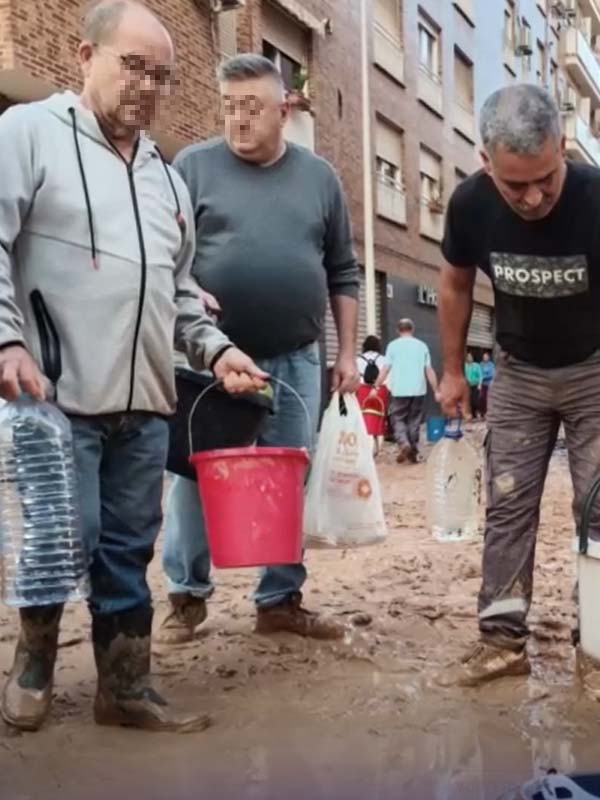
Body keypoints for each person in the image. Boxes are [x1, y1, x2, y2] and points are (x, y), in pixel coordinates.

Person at [0, 0, 265, 733]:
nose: (147, 86)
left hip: (146, 402)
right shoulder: (26, 135)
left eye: (164, 76)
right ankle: (34, 665)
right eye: (133, 65)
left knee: (128, 545)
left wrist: (218, 349)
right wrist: (6, 341)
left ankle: (125, 685)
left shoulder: (166, 178)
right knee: (62, 537)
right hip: (52, 397)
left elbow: (180, 294)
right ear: (86, 58)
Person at [435, 84, 600, 687]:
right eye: (516, 185)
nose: (535, 196)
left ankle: (599, 644)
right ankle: (502, 640)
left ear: (562, 147)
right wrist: (451, 371)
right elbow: (456, 286)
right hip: (518, 369)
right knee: (509, 503)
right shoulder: (469, 205)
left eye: (546, 176)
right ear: (486, 161)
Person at [156, 53, 361, 646]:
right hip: (208, 360)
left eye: (252, 108)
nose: (238, 121)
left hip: (295, 357)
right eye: (229, 108)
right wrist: (191, 293)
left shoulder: (319, 177)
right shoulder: (192, 166)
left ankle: (279, 599)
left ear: (284, 108)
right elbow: (167, 260)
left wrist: (345, 353)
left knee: (286, 479)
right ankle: (186, 597)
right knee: (194, 475)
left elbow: (343, 273)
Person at [384, 318, 438, 463]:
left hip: (399, 390)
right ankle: (412, 452)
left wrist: (376, 385)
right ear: (412, 329)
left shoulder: (392, 346)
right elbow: (429, 370)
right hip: (418, 390)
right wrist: (436, 390)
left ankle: (403, 443)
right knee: (414, 421)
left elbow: (386, 368)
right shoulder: (422, 346)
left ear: (398, 330)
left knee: (398, 419)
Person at [356, 334, 390, 454]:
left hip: (362, 390)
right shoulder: (384, 359)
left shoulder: (358, 359)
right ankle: (377, 445)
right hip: (380, 389)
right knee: (378, 416)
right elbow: (388, 377)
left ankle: (364, 446)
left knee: (363, 416)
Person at [465, 353, 484, 420]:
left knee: (475, 401)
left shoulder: (476, 365)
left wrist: (480, 384)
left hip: (475, 385)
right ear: (466, 358)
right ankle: (472, 415)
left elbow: (481, 376)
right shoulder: (464, 366)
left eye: (471, 356)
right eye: (468, 357)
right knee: (469, 401)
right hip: (467, 386)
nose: (470, 358)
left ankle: (478, 413)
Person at [479, 351, 495, 419]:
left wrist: (483, 376)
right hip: (481, 384)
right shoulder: (481, 364)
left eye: (486, 356)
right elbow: (479, 373)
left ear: (488, 357)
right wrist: (482, 377)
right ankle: (482, 413)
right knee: (481, 398)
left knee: (487, 399)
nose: (485, 358)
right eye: (484, 356)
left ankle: (488, 413)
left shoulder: (491, 365)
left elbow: (492, 374)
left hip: (489, 384)